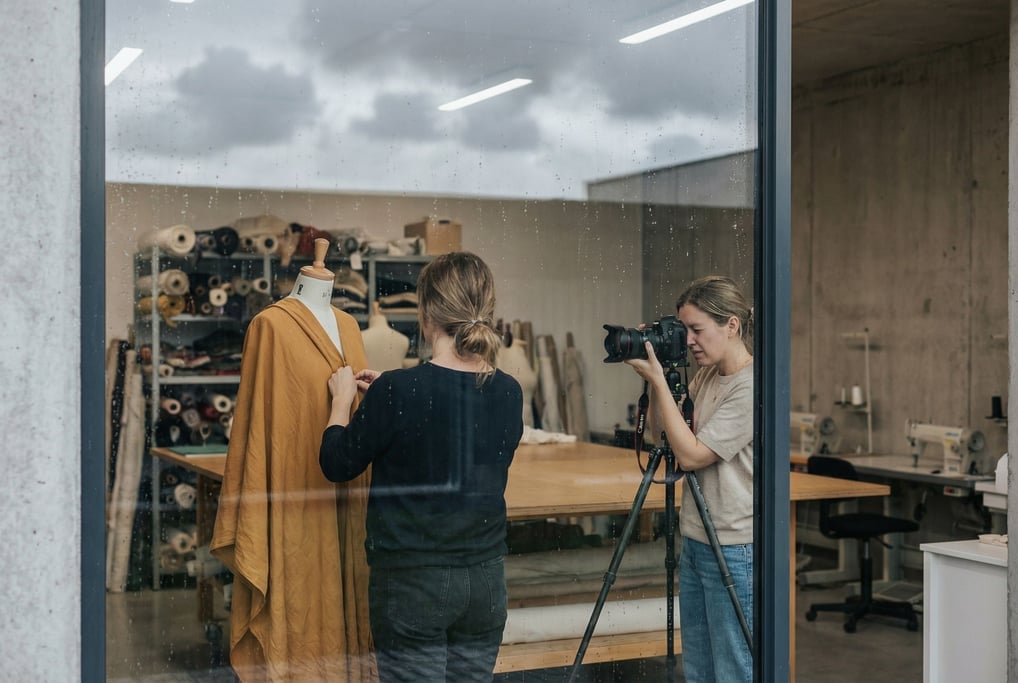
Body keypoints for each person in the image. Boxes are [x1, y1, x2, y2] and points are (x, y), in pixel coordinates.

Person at [320, 251, 524, 683]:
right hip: (485, 582)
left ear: (426, 312)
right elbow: (463, 441)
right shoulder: (508, 391)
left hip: (415, 584)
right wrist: (389, 401)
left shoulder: (399, 391)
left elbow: (337, 464)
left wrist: (342, 404)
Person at [624, 275, 754, 683]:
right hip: (698, 537)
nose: (691, 341)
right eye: (684, 332)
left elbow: (692, 455)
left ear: (731, 325)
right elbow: (663, 436)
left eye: (697, 330)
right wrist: (656, 378)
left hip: (733, 543)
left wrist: (660, 381)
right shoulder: (707, 377)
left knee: (733, 667)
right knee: (698, 666)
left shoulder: (750, 386)